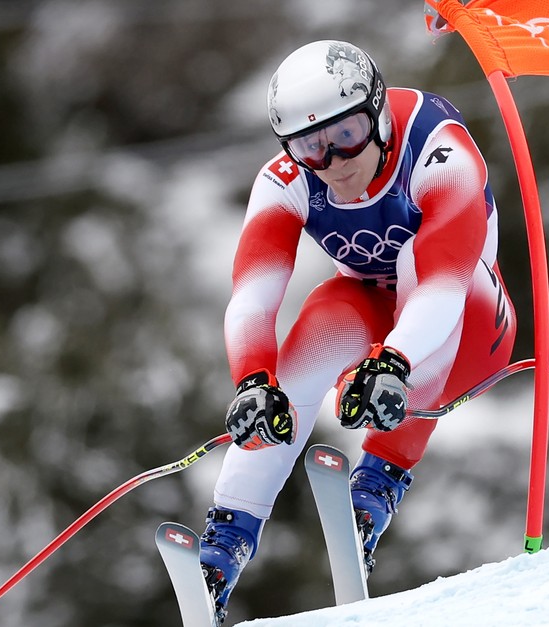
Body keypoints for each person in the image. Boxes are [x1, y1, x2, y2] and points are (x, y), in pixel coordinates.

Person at [199, 39, 516, 623]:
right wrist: (251, 381)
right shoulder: (287, 180)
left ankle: (377, 484)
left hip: (469, 325)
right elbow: (251, 296)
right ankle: (228, 539)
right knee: (324, 318)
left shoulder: (438, 149)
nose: (335, 162)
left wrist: (393, 360)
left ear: (377, 111)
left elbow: (442, 285)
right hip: (378, 317)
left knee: (413, 264)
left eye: (347, 134)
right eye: (310, 147)